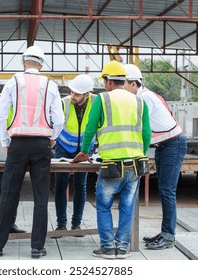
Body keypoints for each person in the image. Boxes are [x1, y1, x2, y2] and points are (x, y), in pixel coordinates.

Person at [0, 45, 64, 258]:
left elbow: (0, 116)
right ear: (42, 64)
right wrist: (52, 139)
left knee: (8, 194)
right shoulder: (50, 84)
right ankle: (37, 248)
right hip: (41, 144)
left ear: (23, 62)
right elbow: (59, 119)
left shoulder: (13, 82)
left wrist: (4, 140)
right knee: (41, 197)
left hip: (18, 144)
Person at [72, 60, 151, 259]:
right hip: (135, 164)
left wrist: (84, 151)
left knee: (104, 205)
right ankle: (122, 248)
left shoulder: (102, 99)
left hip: (111, 165)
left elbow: (90, 128)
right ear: (123, 80)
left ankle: (107, 247)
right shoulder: (140, 101)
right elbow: (147, 133)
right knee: (127, 206)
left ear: (108, 81)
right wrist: (140, 151)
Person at [123, 63, 187, 250]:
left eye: (124, 83)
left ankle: (168, 236)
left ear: (133, 84)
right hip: (164, 146)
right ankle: (165, 232)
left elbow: (140, 128)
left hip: (173, 145)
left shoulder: (145, 98)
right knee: (164, 190)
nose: (122, 88)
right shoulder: (143, 96)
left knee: (167, 191)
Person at [53, 74, 96, 236]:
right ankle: (61, 224)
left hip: (84, 149)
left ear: (87, 94)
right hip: (63, 148)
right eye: (72, 92)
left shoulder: (95, 102)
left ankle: (76, 224)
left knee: (80, 185)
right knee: (60, 185)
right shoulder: (63, 103)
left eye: (77, 94)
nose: (73, 96)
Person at [0, 93, 26, 234]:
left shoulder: (23, 99)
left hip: (17, 145)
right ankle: (2, 221)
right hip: (1, 145)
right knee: (3, 185)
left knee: (14, 186)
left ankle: (10, 222)